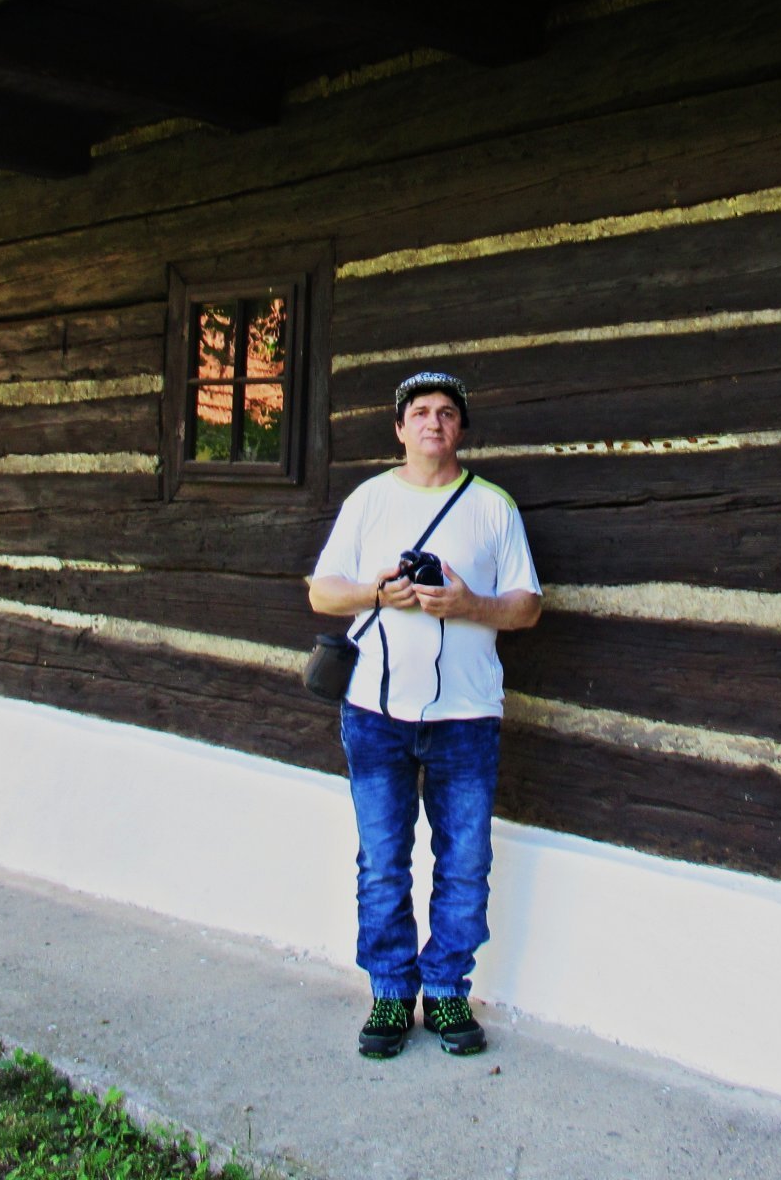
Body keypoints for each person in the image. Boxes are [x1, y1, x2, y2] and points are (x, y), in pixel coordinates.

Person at [307, 370, 542, 1058]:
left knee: (464, 862)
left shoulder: (493, 508)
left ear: (460, 428)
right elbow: (322, 593)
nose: (432, 423)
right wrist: (377, 595)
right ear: (399, 428)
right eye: (419, 412)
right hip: (374, 712)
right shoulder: (368, 500)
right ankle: (388, 993)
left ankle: (444, 994)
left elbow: (526, 606)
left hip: (466, 716)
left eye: (445, 413)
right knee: (381, 861)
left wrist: (468, 605)